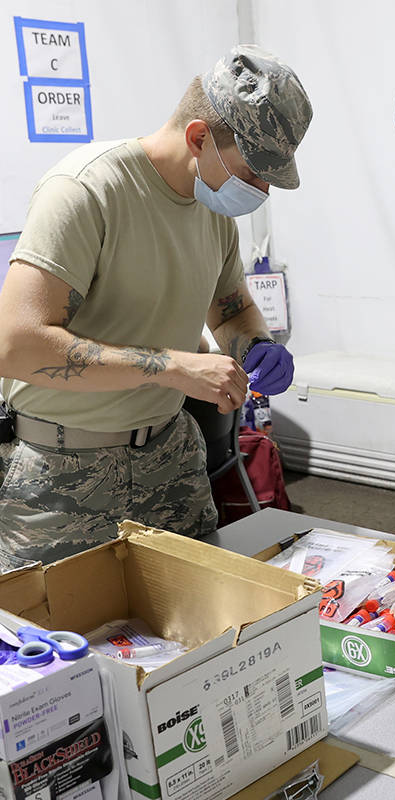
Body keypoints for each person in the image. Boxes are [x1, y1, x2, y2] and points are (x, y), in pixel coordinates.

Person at [0, 45, 311, 565]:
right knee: (69, 618)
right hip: (63, 474)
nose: (261, 189)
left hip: (169, 461)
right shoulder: (85, 191)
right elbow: (17, 346)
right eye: (254, 171)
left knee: (196, 613)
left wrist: (255, 345)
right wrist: (171, 367)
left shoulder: (213, 211)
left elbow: (230, 309)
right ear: (198, 138)